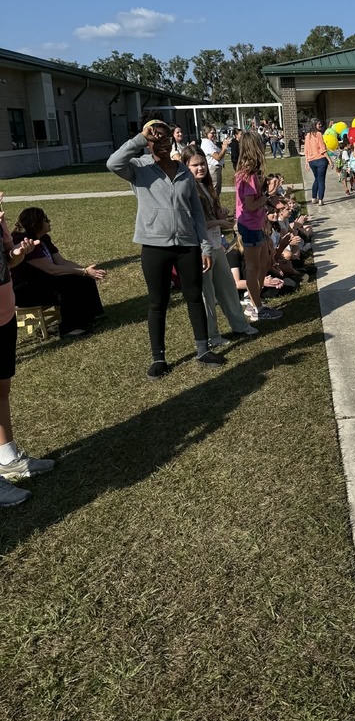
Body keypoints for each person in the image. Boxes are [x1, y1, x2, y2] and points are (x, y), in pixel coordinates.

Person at [107, 117, 224, 378]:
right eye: (153, 137)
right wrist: (139, 138)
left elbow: (195, 212)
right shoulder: (138, 168)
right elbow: (112, 162)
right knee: (158, 302)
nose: (158, 142)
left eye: (163, 137)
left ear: (172, 139)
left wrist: (205, 246)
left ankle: (203, 350)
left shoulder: (184, 171)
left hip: (187, 244)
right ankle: (158, 358)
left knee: (195, 297)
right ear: (147, 141)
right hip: (154, 245)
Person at [0, 201, 56, 507]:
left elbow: (6, 263)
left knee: (1, 388)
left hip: (4, 313)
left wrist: (17, 253)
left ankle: (8, 459)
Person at [181, 148, 257, 345]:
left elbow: (209, 218)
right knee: (207, 295)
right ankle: (212, 336)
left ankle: (240, 325)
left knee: (228, 289)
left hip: (216, 244)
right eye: (195, 165)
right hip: (200, 248)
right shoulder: (187, 189)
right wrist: (220, 223)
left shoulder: (205, 186)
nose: (200, 168)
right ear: (185, 166)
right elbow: (195, 224)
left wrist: (220, 216)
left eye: (202, 164)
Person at [11, 207, 106, 337]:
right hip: (25, 290)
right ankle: (68, 328)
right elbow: (52, 269)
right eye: (45, 219)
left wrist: (86, 270)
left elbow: (61, 262)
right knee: (68, 284)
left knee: (83, 277)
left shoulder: (44, 238)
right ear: (36, 223)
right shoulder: (24, 242)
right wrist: (82, 271)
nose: (49, 221)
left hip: (43, 281)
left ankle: (92, 315)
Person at [235, 129, 282, 323]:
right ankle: (256, 307)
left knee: (264, 263)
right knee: (254, 267)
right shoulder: (249, 176)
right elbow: (250, 204)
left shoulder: (250, 173)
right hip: (249, 226)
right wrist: (269, 195)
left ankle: (255, 300)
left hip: (255, 224)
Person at [304, 120, 332, 206]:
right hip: (321, 160)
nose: (320, 125)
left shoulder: (307, 135)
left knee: (317, 179)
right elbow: (322, 148)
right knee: (321, 180)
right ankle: (320, 199)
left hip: (312, 161)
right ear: (314, 124)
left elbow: (306, 150)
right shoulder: (319, 134)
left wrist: (307, 161)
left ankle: (313, 198)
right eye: (319, 124)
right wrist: (330, 160)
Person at [200, 126, 230, 196]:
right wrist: (224, 148)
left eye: (215, 133)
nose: (214, 135)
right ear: (206, 133)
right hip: (213, 169)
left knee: (217, 191)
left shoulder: (210, 142)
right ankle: (213, 206)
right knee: (214, 191)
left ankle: (216, 206)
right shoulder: (206, 143)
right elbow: (218, 157)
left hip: (216, 168)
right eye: (212, 133)